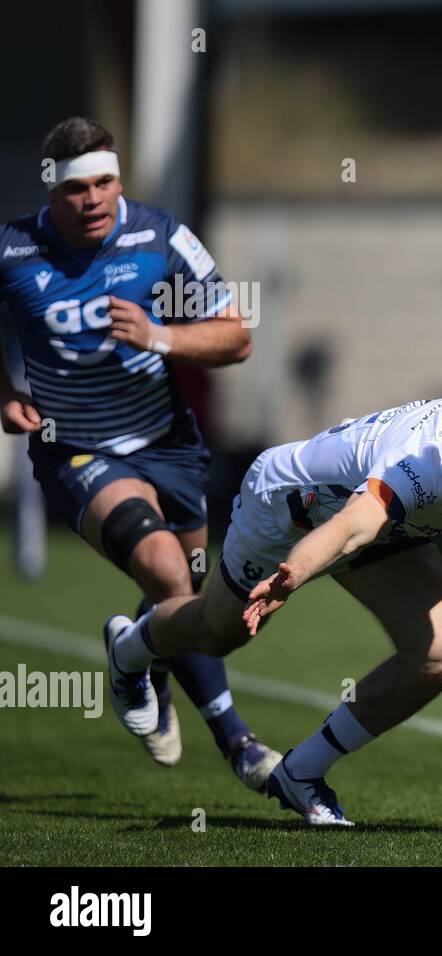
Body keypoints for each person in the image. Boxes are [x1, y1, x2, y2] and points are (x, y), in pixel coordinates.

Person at [102, 353, 442, 825]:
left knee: (440, 657)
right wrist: (294, 574)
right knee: (219, 634)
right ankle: (131, 648)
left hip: (382, 527)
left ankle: (300, 774)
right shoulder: (424, 465)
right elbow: (354, 526)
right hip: (289, 514)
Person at [0, 116, 279, 789]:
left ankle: (135, 662)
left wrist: (160, 336)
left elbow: (236, 337)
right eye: (78, 189)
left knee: (202, 610)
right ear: (52, 191)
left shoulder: (160, 236)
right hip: (76, 449)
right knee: (165, 574)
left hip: (169, 446)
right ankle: (238, 742)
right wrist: (4, 393)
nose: (95, 199)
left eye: (106, 182)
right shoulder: (14, 251)